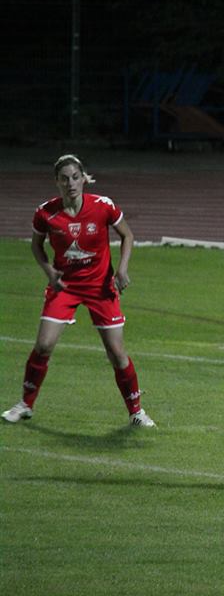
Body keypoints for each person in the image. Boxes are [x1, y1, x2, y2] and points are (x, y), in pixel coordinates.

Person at [2, 154, 154, 428]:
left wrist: (122, 270)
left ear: (84, 178)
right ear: (57, 182)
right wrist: (49, 272)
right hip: (65, 287)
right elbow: (36, 246)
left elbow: (127, 235)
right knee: (44, 345)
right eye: (64, 179)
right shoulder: (45, 213)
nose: (71, 183)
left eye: (75, 177)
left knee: (116, 352)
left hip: (100, 287)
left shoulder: (103, 206)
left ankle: (136, 412)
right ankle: (25, 404)